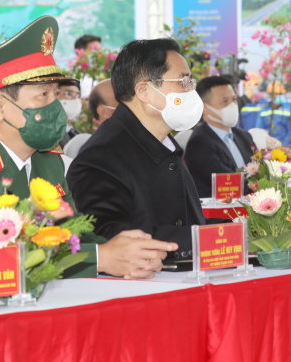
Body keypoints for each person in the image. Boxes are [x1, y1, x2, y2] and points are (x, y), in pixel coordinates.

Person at [0, 17, 174, 279]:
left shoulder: (46, 158)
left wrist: (125, 251)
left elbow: (70, 233)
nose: (55, 107)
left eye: (56, 94)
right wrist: (100, 258)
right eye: (42, 95)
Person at [68, 38, 217, 261]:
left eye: (191, 82)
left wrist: (243, 232)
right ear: (144, 91)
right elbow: (107, 237)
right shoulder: (101, 156)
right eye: (183, 82)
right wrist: (206, 239)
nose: (191, 91)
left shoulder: (165, 144)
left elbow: (191, 223)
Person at [184, 76, 257, 199]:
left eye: (234, 99)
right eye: (225, 101)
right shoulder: (199, 143)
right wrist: (263, 186)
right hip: (220, 215)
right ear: (204, 108)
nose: (233, 105)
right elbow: (230, 183)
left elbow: (261, 170)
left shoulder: (244, 136)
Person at [57, 79, 82, 148]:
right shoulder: (49, 135)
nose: (75, 99)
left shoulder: (79, 136)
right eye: (69, 94)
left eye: (78, 95)